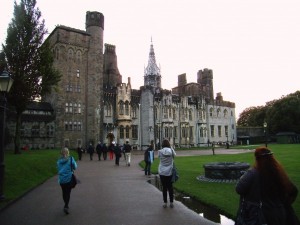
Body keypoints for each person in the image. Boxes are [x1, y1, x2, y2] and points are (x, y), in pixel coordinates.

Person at [235, 147, 299, 225]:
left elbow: (239, 189)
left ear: (257, 159)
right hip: (278, 214)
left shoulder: (253, 173)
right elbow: (293, 191)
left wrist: (242, 177)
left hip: (260, 216)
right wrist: (282, 204)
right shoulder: (279, 172)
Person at [57, 147, 77, 214]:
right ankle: (66, 206)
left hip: (61, 180)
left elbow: (58, 169)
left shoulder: (59, 161)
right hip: (69, 179)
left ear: (61, 153)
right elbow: (75, 167)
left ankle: (65, 203)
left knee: (64, 192)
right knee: (68, 193)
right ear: (68, 152)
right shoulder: (71, 159)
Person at [158, 139, 176, 208]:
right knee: (170, 187)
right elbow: (175, 155)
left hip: (162, 171)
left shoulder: (160, 151)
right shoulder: (171, 151)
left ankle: (165, 203)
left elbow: (159, 157)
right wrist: (171, 147)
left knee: (164, 188)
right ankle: (171, 202)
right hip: (169, 171)